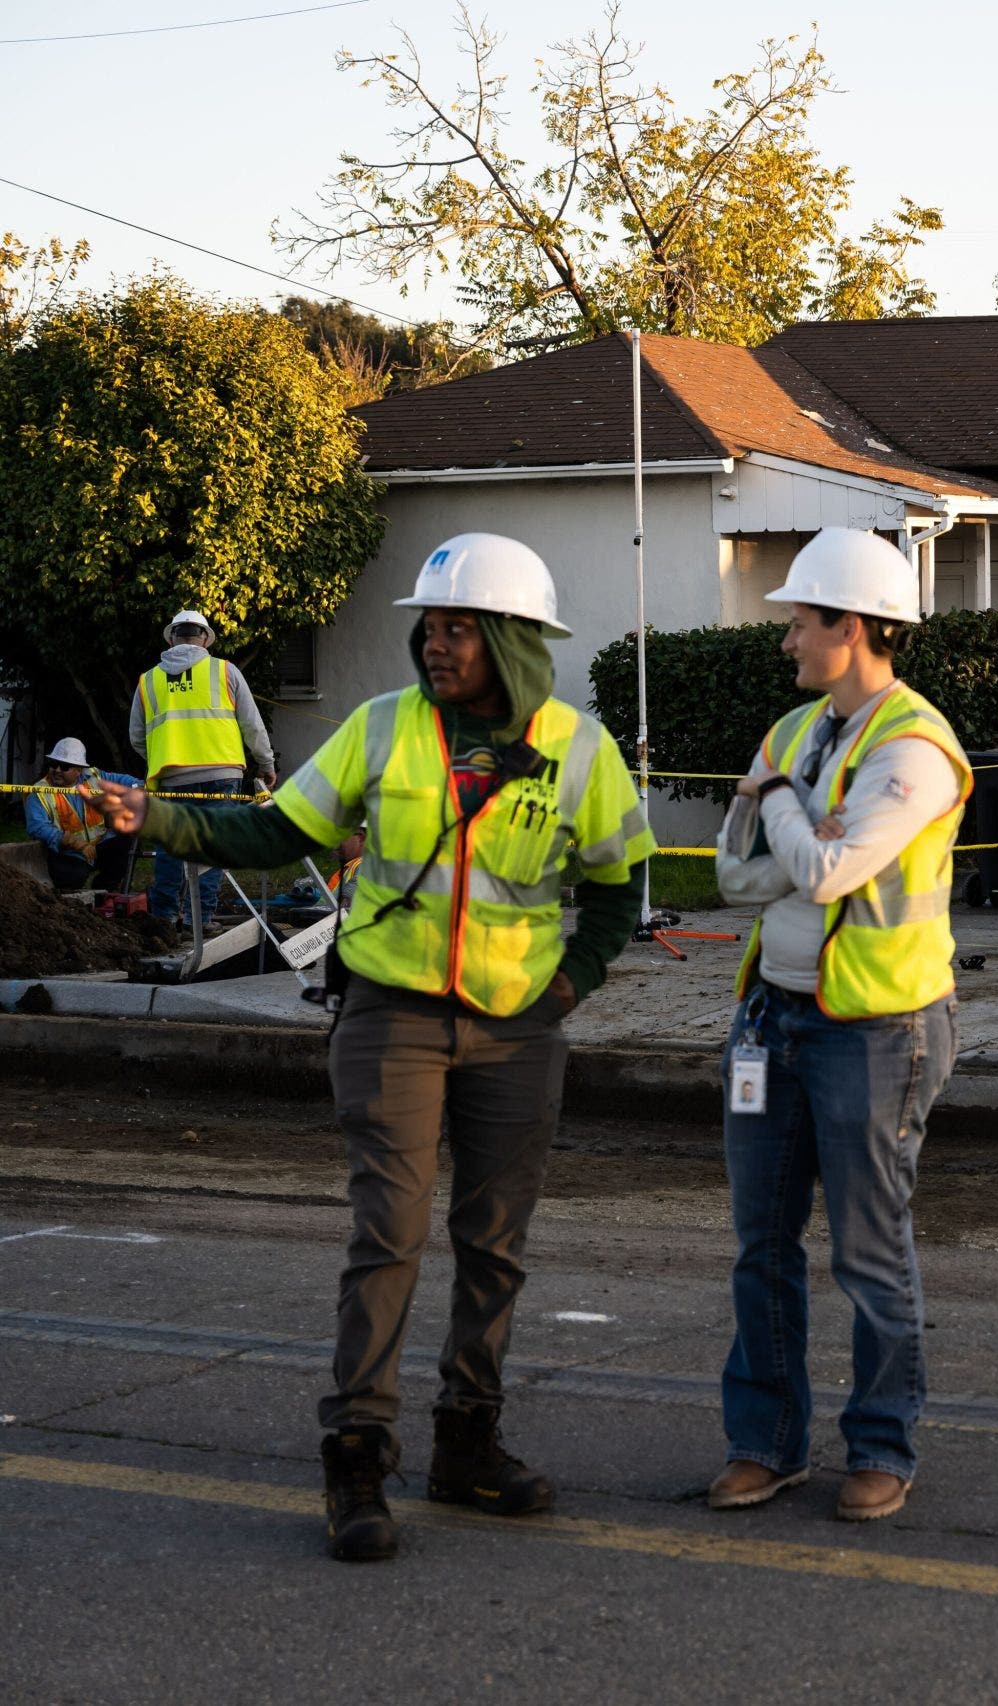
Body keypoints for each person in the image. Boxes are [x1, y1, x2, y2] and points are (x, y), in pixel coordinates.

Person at [93, 535, 655, 1563]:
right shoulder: (382, 727)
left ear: (511, 639)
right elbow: (275, 831)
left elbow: (621, 887)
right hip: (390, 1013)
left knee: (494, 1244)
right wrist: (162, 815)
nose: (435, 645)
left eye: (457, 628)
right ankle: (357, 1451)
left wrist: (572, 982)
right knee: (388, 1233)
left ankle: (467, 1443)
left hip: (516, 1030)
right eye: (429, 626)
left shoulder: (580, 748)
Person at [705, 527, 970, 1523]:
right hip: (769, 1016)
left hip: (875, 1025)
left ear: (850, 626)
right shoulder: (794, 730)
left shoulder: (914, 750)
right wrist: (798, 819)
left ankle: (880, 1445)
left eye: (800, 622)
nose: (787, 642)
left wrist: (780, 804)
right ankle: (763, 1444)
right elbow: (735, 873)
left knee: (868, 1247)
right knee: (759, 1243)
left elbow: (824, 872)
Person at [129, 609, 275, 926]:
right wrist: (266, 763)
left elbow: (137, 738)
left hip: (169, 777)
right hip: (221, 775)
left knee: (170, 849)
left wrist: (164, 757)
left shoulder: (148, 680)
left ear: (172, 638)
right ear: (206, 639)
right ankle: (200, 918)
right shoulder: (225, 672)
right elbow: (252, 725)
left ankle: (165, 918)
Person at [23, 738, 140, 893]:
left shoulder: (92, 777)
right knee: (73, 876)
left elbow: (123, 780)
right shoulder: (40, 791)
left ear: (79, 770)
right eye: (53, 764)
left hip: (98, 845)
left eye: (64, 766)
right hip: (67, 852)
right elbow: (37, 827)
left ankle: (105, 889)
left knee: (128, 845)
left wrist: (140, 786)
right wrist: (73, 842)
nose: (57, 770)